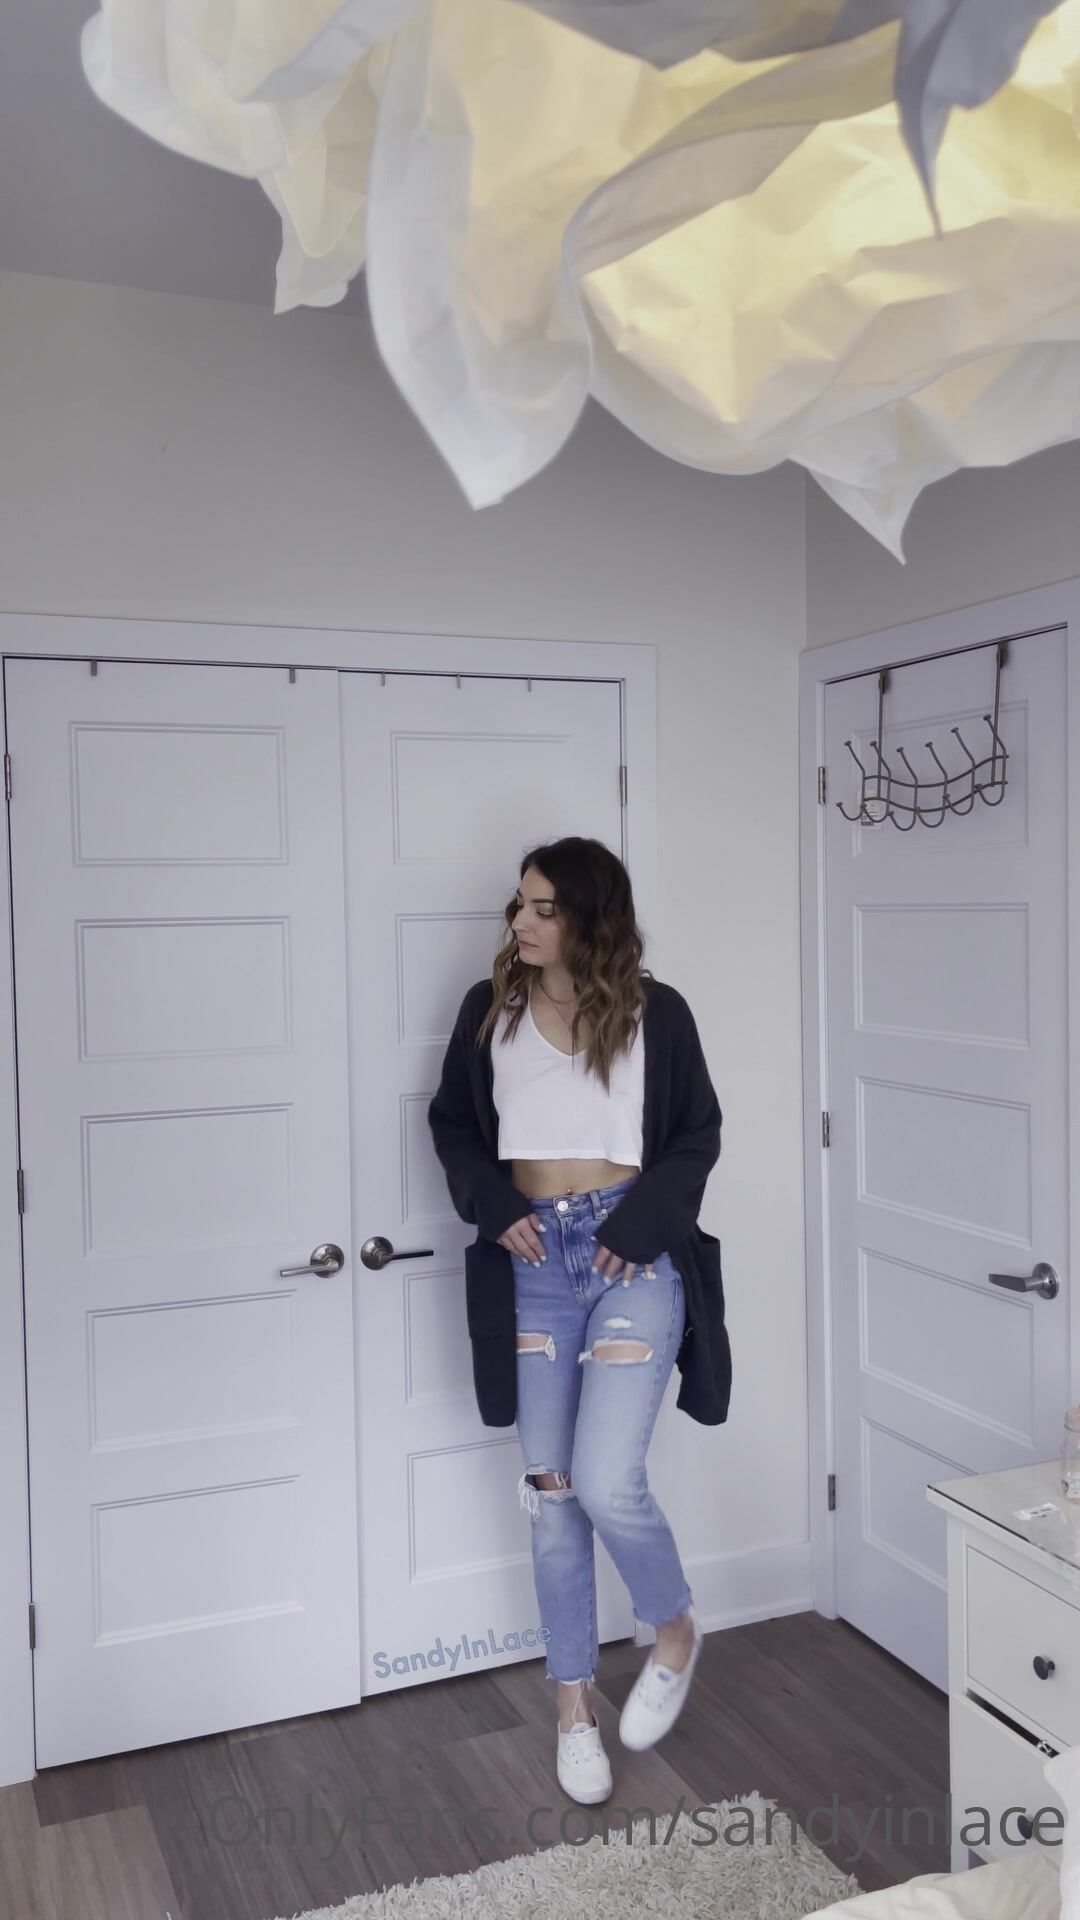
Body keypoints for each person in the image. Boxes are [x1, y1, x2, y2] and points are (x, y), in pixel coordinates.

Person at [428, 837, 730, 1806]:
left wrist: (641, 1227)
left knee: (604, 1479)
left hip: (627, 1256)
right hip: (534, 1268)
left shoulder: (655, 1013)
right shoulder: (491, 1010)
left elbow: (697, 1134)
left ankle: (672, 1626)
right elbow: (453, 1124)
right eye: (519, 905)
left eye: (543, 908)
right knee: (554, 1497)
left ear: (589, 919)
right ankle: (572, 1711)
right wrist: (493, 1206)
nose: (521, 922)